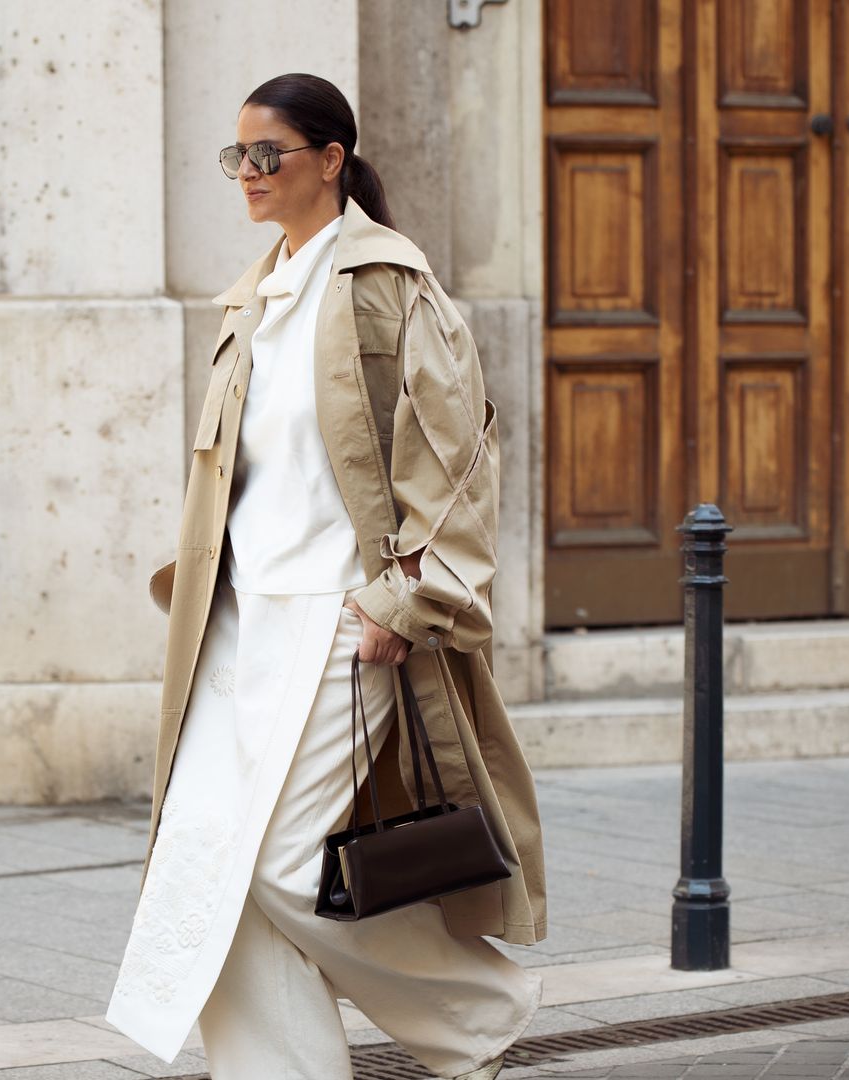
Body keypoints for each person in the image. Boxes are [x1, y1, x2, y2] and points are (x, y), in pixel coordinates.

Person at [104, 72, 548, 1079]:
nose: (249, 173)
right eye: (238, 156)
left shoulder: (389, 287)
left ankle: (478, 1012)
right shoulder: (254, 297)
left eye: (269, 154)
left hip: (340, 620)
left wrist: (407, 596)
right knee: (211, 865)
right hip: (239, 622)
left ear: (331, 159)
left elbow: (457, 462)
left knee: (282, 864)